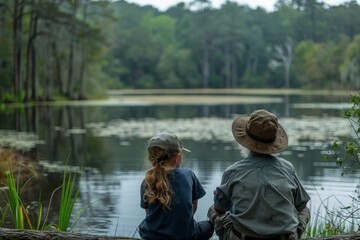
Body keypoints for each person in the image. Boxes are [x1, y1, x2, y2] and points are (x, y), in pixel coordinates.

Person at [208, 109, 311, 240]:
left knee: (213, 210)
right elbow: (301, 205)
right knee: (305, 211)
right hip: (285, 237)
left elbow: (219, 208)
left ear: (246, 140)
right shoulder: (287, 168)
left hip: (242, 237)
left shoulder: (232, 171)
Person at [138, 132, 214, 240]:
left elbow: (149, 214)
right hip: (185, 236)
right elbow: (193, 208)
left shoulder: (147, 181)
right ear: (177, 157)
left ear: (151, 157)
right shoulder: (188, 174)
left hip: (151, 235)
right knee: (210, 226)